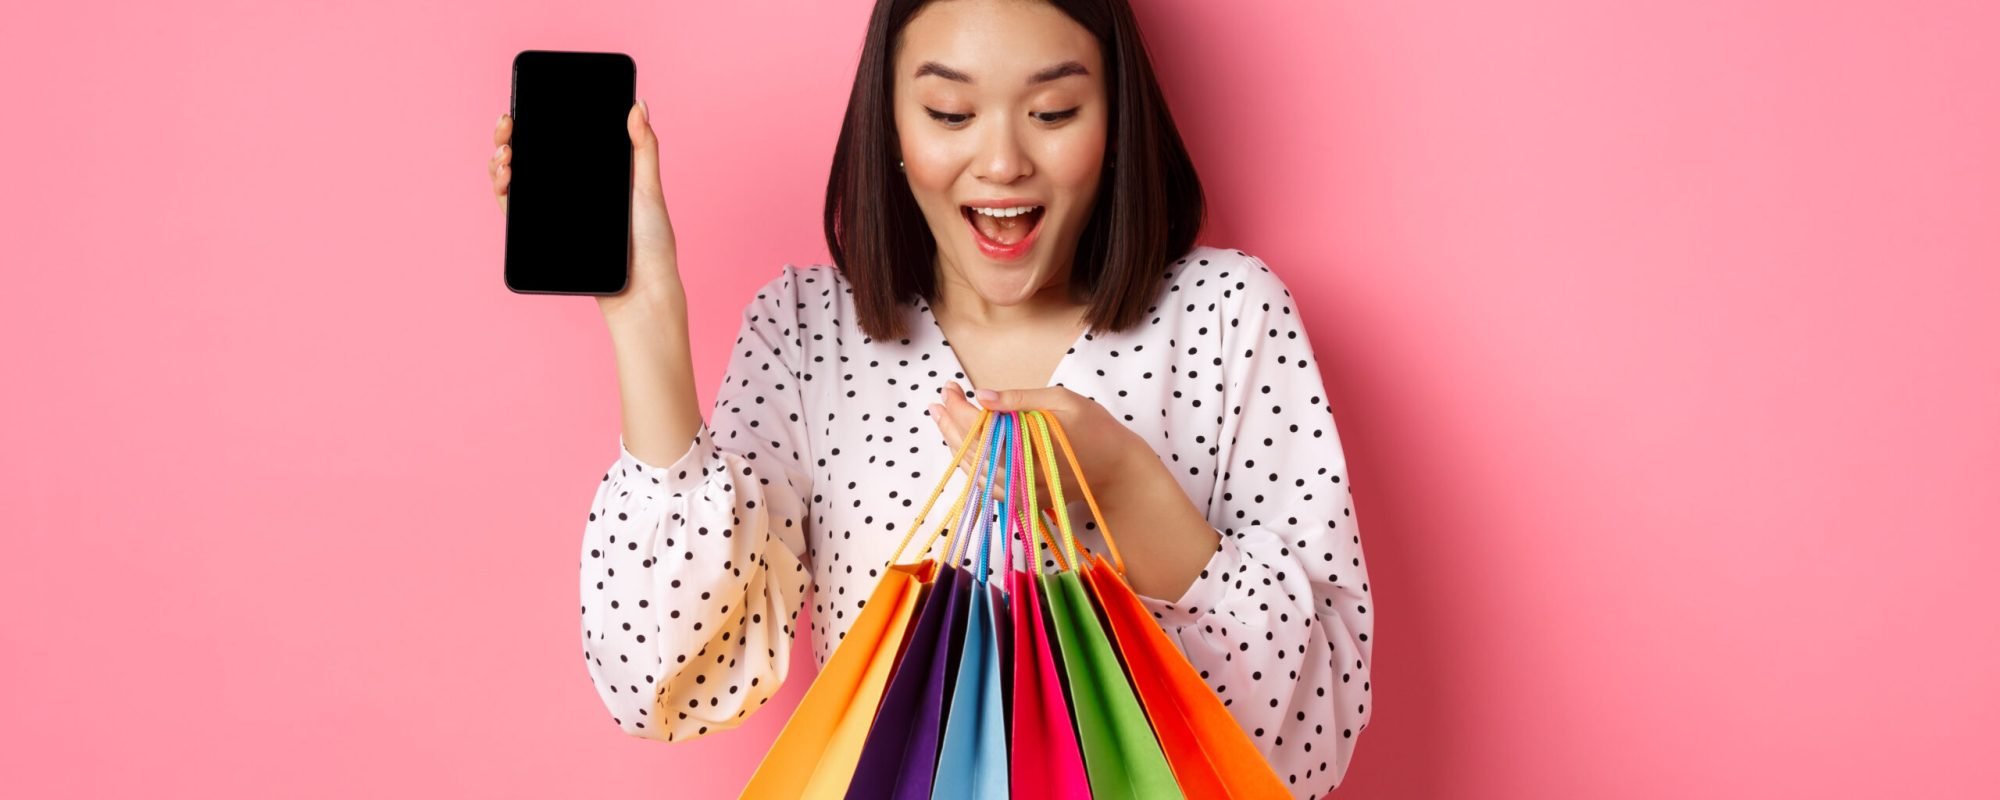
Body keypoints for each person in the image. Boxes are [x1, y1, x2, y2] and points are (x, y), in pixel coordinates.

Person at [489, 0, 1374, 795]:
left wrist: (1126, 490)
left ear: (1116, 119)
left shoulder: (1225, 317)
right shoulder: (809, 334)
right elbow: (662, 679)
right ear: (892, 128)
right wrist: (645, 316)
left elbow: (1312, 735)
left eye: (1054, 112)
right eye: (950, 112)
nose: (1001, 161)